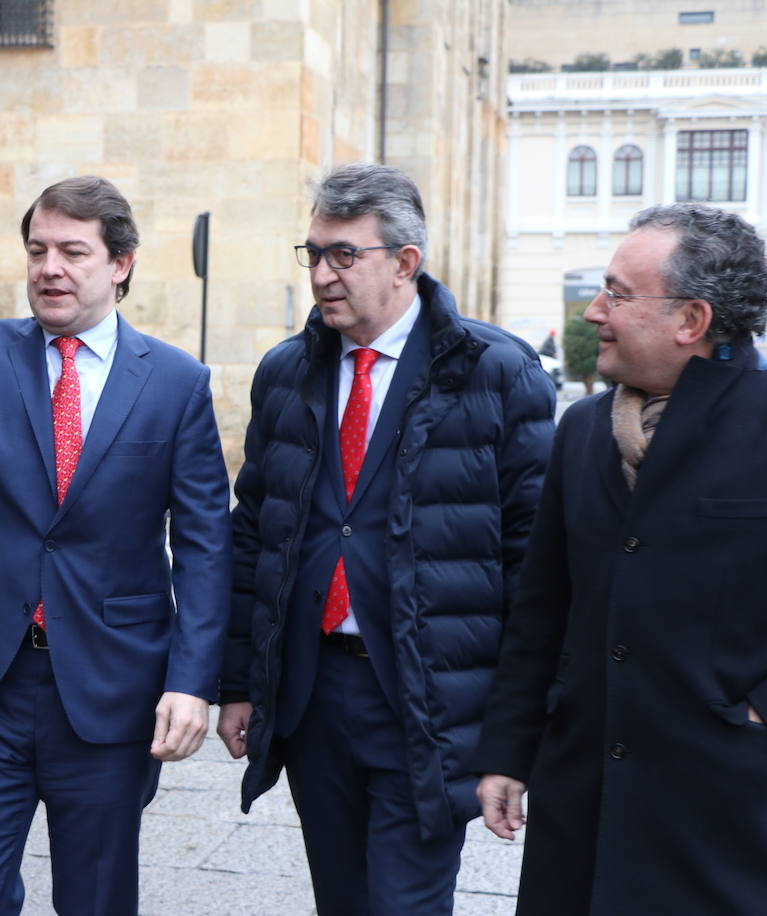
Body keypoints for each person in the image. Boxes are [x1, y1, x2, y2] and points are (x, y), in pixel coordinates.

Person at [0, 175, 232, 915]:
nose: (49, 267)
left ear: (120, 264)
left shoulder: (176, 383)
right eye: (37, 250)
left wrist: (193, 682)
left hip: (110, 685)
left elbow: (205, 547)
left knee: (93, 898)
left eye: (72, 251)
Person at [475, 202, 767, 914]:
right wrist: (507, 750)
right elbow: (543, 605)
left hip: (722, 821)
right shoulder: (584, 429)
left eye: (617, 294)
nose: (594, 312)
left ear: (692, 320)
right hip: (580, 810)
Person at [215, 162, 554, 914]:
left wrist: (515, 732)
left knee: (405, 904)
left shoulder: (495, 374)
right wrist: (238, 682)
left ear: (406, 263)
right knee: (342, 899)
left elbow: (535, 562)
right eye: (313, 253)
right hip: (314, 696)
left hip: (428, 698)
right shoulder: (286, 373)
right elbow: (254, 538)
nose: (323, 275)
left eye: (345, 254)